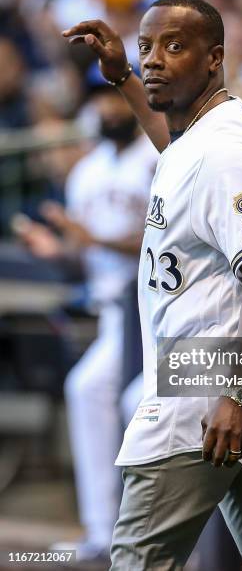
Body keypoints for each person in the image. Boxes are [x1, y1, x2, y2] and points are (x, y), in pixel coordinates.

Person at [63, 0, 242, 570]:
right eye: (146, 48)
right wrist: (120, 77)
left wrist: (236, 394)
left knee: (137, 559)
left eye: (174, 46)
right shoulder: (200, 137)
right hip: (238, 377)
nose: (154, 61)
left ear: (214, 58)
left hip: (213, 381)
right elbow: (176, 151)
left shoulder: (226, 150)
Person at [15, 87, 157, 560]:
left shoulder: (156, 158)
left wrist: (91, 239)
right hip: (112, 311)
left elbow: (165, 243)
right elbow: (84, 261)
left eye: (118, 100)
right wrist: (59, 251)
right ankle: (103, 532)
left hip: (157, 306)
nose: (110, 110)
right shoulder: (87, 172)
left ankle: (145, 535)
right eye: (101, 103)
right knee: (91, 391)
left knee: (110, 396)